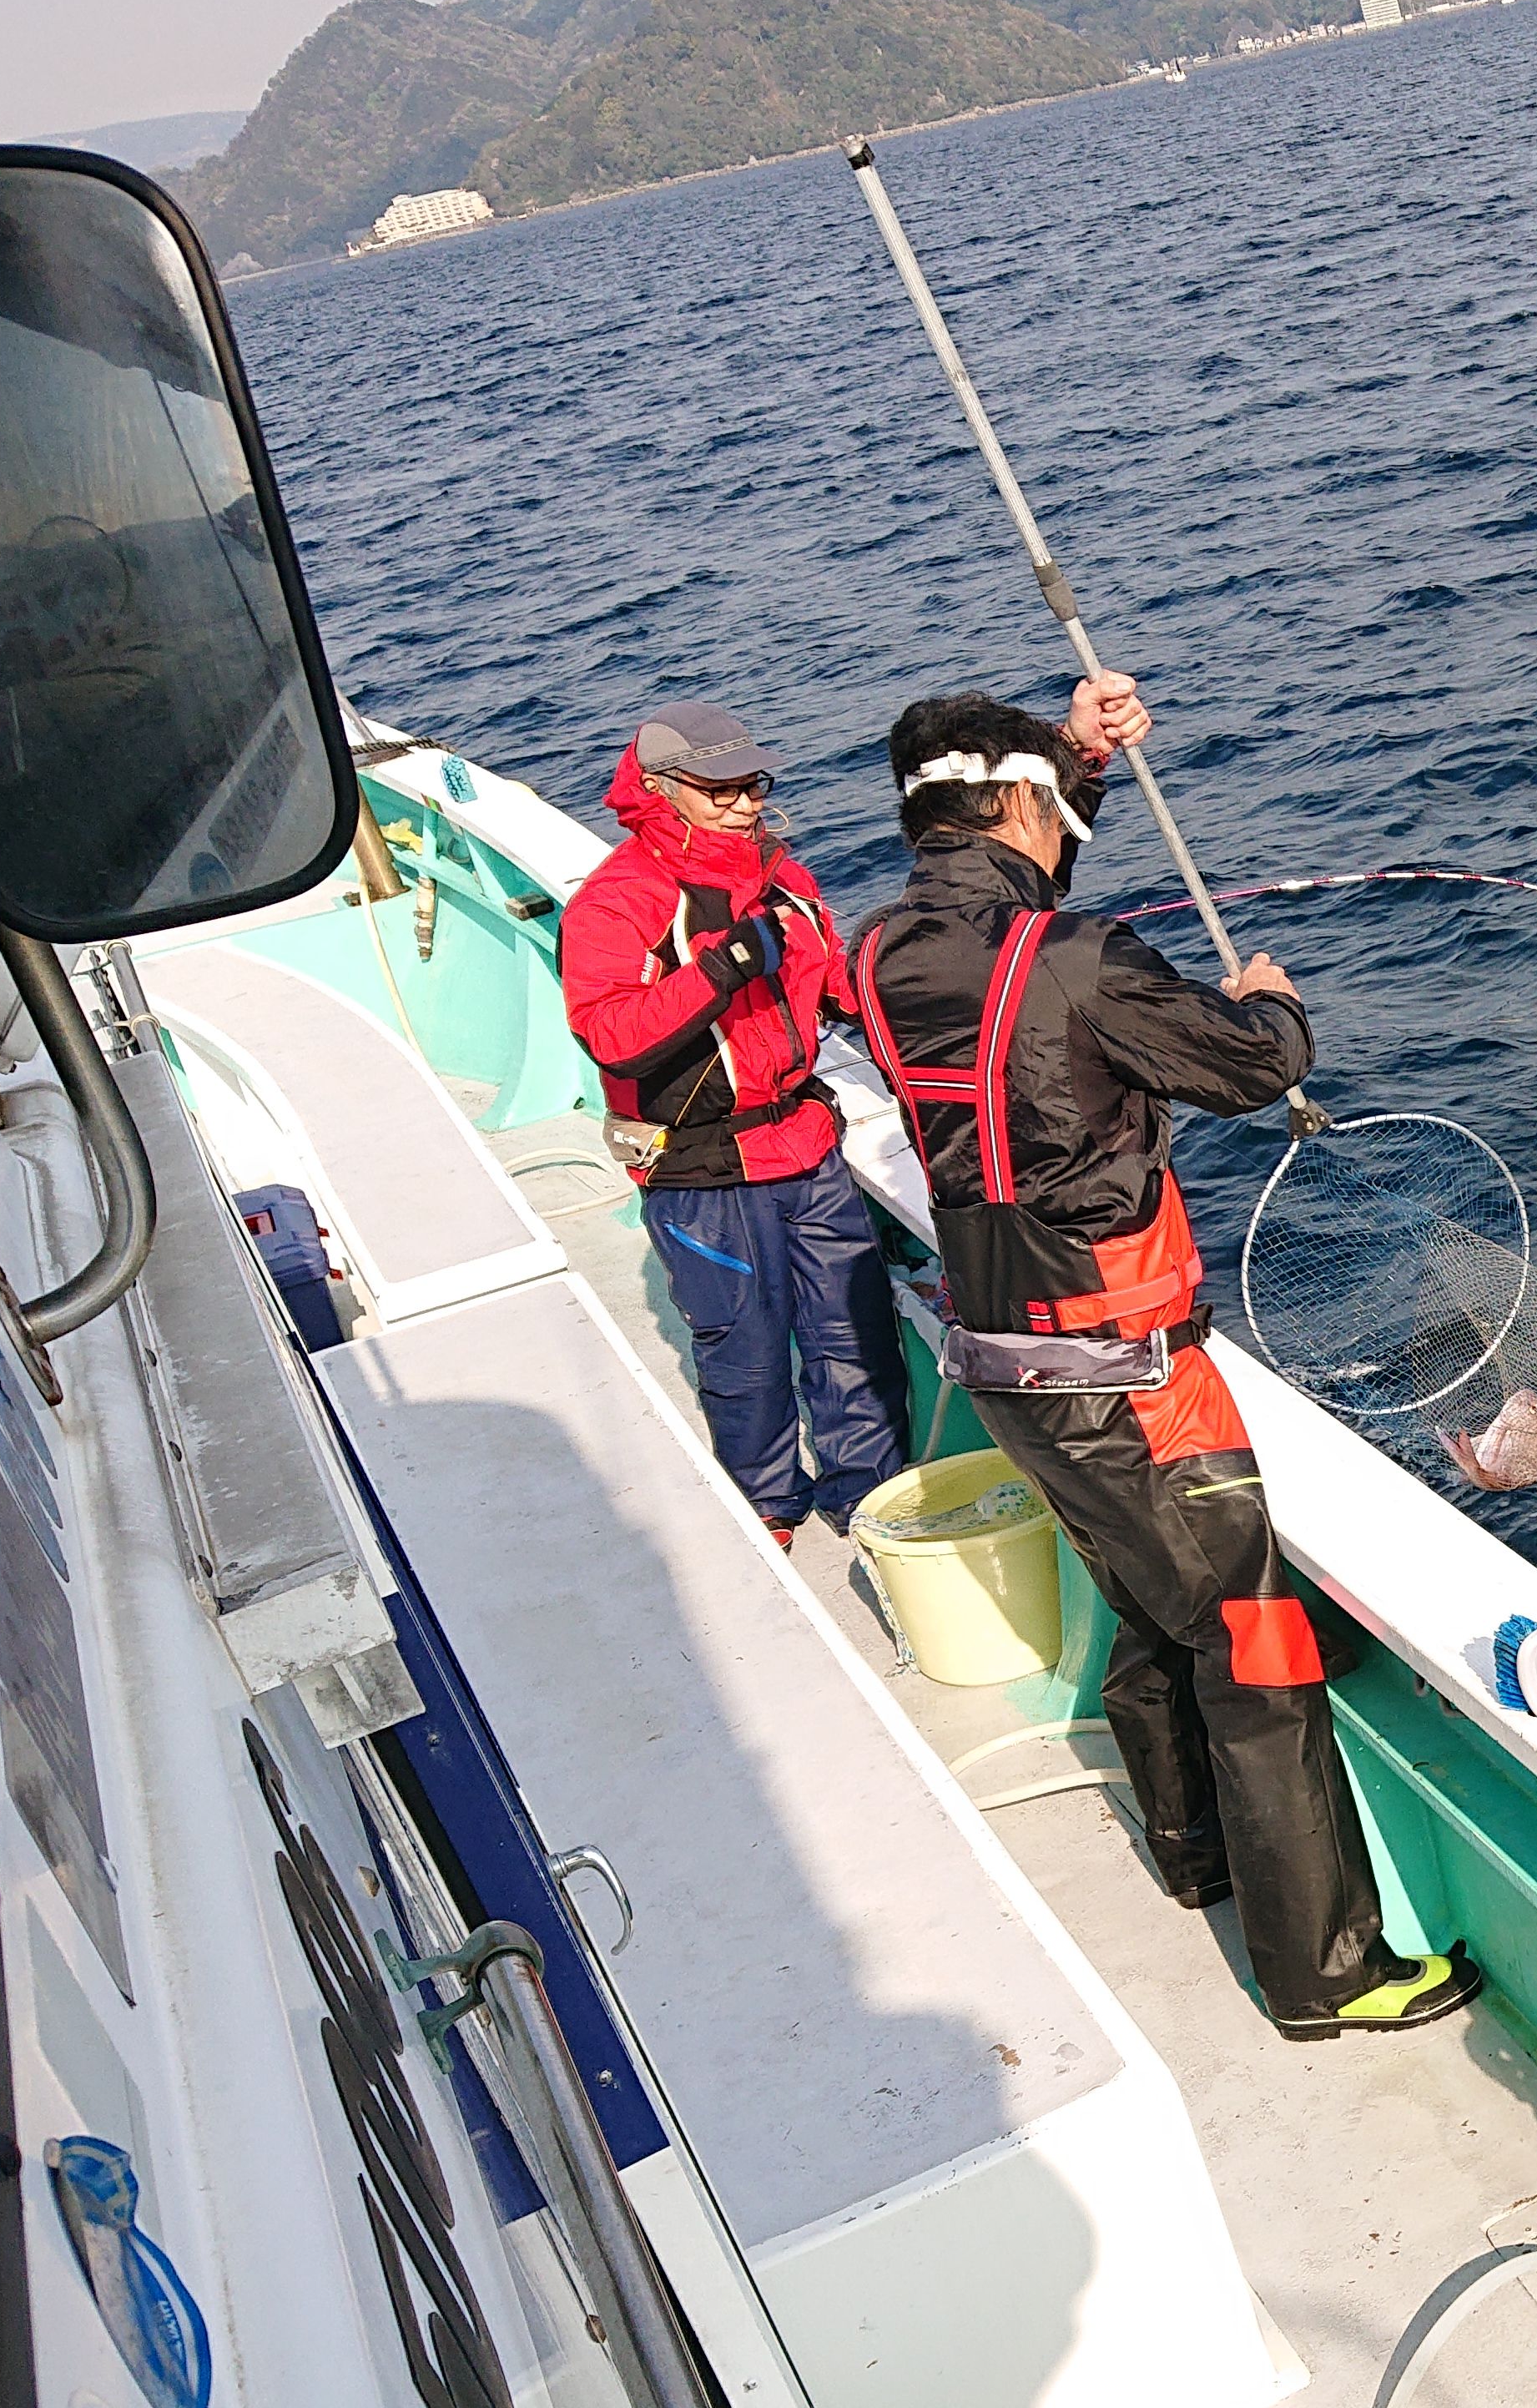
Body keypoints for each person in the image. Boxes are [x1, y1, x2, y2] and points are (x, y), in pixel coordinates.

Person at [845, 673, 1477, 2042]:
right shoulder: (1077, 958)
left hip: (1004, 1362)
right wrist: (1273, 1006)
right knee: (1252, 1639)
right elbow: (1246, 1066)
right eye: (1049, 797)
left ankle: (1195, 1856)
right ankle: (1327, 1972)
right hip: (1131, 1377)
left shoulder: (878, 951)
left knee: (1150, 1607)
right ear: (1014, 805)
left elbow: (1010, 923)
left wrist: (1076, 761)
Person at [558, 698, 910, 1546]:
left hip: (806, 1144)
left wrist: (898, 969)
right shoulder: (616, 902)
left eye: (753, 784)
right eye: (721, 789)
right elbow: (607, 1032)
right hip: (702, 1170)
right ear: (660, 788)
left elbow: (830, 988)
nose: (745, 803)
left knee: (855, 1336)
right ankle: (768, 1507)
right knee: (744, 1351)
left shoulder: (785, 877)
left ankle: (871, 1500)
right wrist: (720, 968)